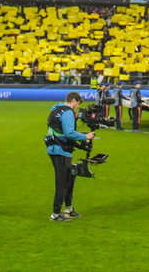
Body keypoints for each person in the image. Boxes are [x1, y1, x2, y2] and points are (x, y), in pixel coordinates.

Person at [45, 91, 94, 222]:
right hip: (60, 150)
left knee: (70, 179)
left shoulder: (56, 110)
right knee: (63, 182)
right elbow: (69, 133)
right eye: (77, 104)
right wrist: (85, 136)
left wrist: (80, 145)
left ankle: (68, 208)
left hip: (57, 148)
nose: (77, 107)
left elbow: (62, 132)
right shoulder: (67, 112)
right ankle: (55, 214)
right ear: (73, 101)